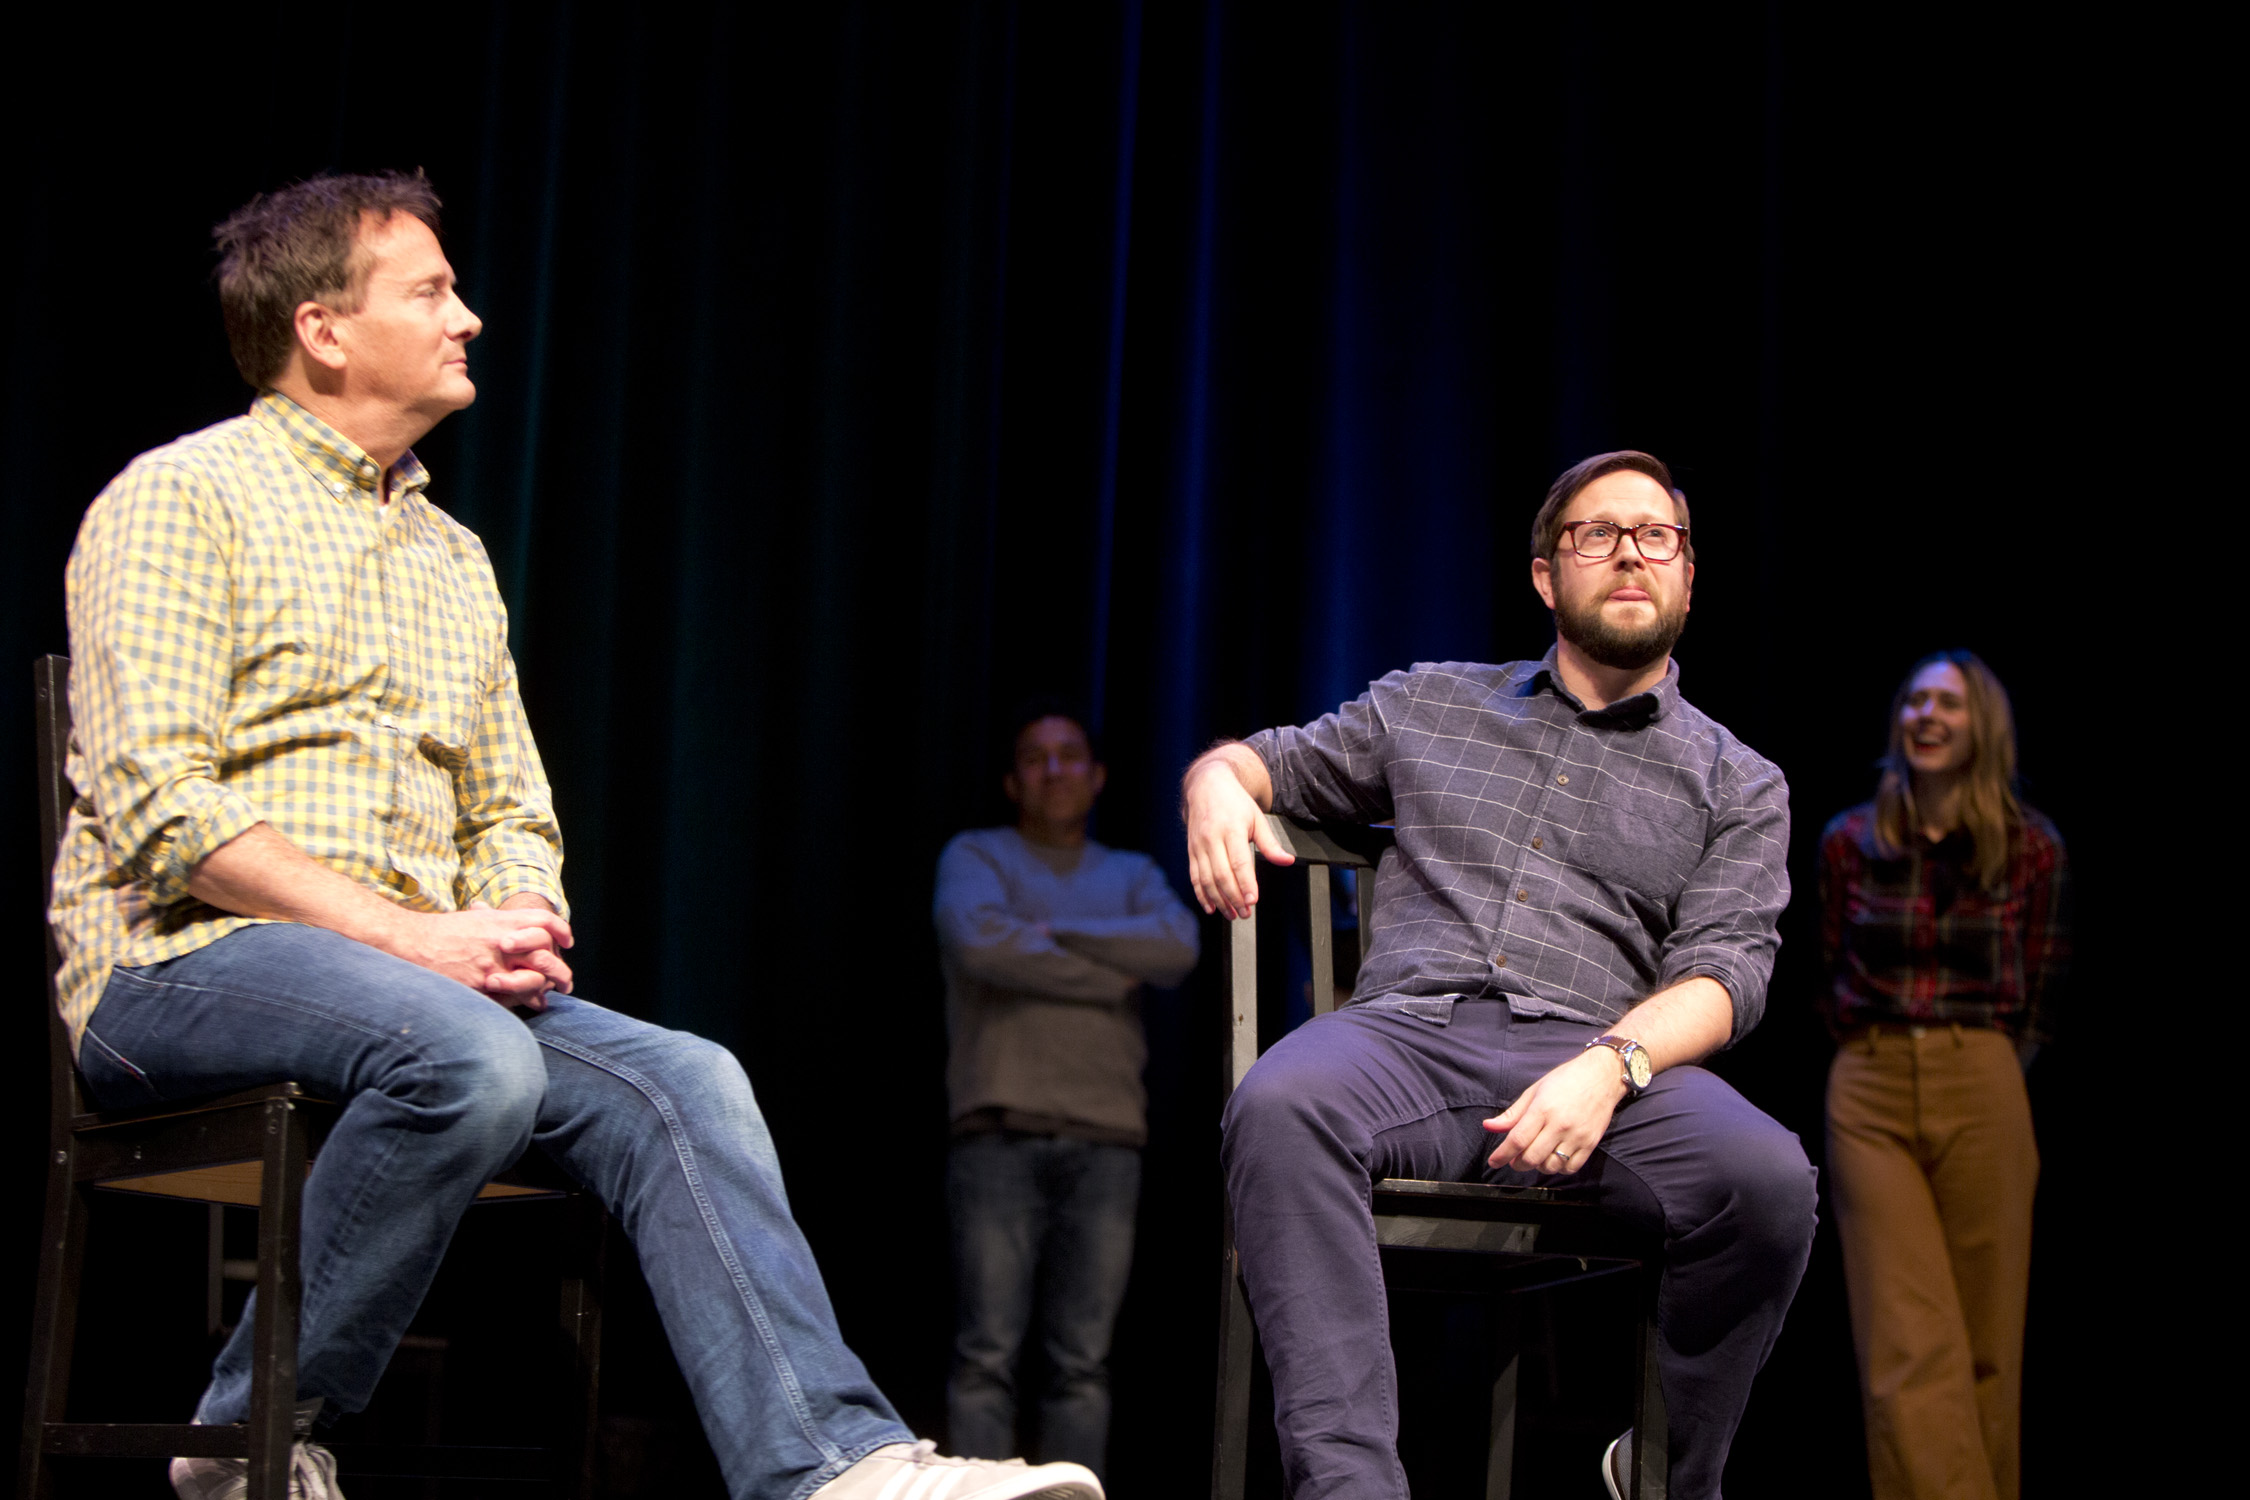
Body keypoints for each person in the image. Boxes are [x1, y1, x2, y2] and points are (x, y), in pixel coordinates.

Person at [49, 171, 1102, 1500]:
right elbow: (157, 803)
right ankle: (252, 1437)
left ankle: (834, 1464)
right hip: (177, 968)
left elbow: (511, 810)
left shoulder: (452, 557)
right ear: (323, 327)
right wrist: (419, 941)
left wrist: (511, 922)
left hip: (414, 984)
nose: (470, 317)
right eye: (430, 290)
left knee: (687, 1081)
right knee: (468, 1054)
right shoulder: (181, 498)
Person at [1180, 451, 1817, 1500]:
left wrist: (1612, 1062)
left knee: (1768, 1183)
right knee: (1281, 1104)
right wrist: (1214, 784)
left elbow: (1730, 971)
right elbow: (1267, 762)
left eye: (1654, 536)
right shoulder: (1430, 704)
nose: (1627, 553)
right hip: (1409, 1043)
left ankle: (1666, 1472)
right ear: (1543, 574)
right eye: (1595, 533)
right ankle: (1350, 1490)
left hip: (1597, 1069)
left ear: (1688, 576)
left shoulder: (1738, 781)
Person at [1818, 652, 2067, 1500]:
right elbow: (1826, 972)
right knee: (1904, 1334)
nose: (1926, 715)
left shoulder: (2031, 848)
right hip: (1871, 1083)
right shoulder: (1851, 841)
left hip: (1982, 1075)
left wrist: (1987, 1063)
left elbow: (2041, 985)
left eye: (1948, 704)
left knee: (1988, 1340)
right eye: (1915, 700)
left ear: (1980, 726)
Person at [932, 702, 1200, 1479]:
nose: (1054, 769)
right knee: (987, 1353)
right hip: (997, 1128)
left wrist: (1046, 928)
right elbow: (980, 942)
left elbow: (1176, 947)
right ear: (1015, 782)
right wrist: (1110, 966)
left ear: (1098, 777)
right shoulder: (976, 855)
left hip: (1108, 1136)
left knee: (1082, 1362)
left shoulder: (1134, 873)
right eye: (1036, 757)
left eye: (1069, 755)